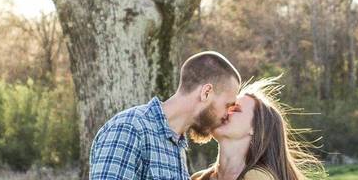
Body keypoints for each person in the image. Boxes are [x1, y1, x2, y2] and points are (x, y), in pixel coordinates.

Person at [89, 51, 242, 180]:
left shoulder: (177, 146)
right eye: (227, 105)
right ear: (206, 92)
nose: (227, 115)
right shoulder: (130, 129)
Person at [190, 78, 318, 180]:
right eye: (225, 106)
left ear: (255, 128)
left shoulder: (257, 177)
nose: (224, 112)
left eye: (235, 109)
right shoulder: (198, 178)